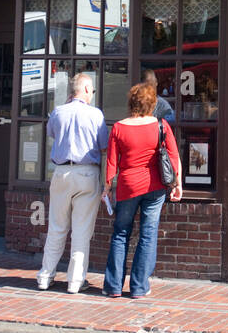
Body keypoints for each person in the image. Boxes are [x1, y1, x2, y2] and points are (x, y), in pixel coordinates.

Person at [102, 81, 182, 299]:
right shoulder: (161, 126)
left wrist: (108, 187)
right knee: (148, 235)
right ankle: (138, 287)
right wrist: (177, 185)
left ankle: (113, 286)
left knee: (120, 233)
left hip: (127, 186)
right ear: (152, 104)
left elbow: (111, 162)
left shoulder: (119, 127)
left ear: (131, 103)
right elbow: (173, 156)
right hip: (154, 186)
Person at [36, 71, 108, 294]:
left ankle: (45, 277)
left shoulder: (58, 112)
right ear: (86, 89)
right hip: (87, 172)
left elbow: (52, 134)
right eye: (92, 90)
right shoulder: (95, 115)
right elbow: (103, 147)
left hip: (61, 172)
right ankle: (75, 282)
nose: (92, 94)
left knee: (56, 227)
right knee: (81, 231)